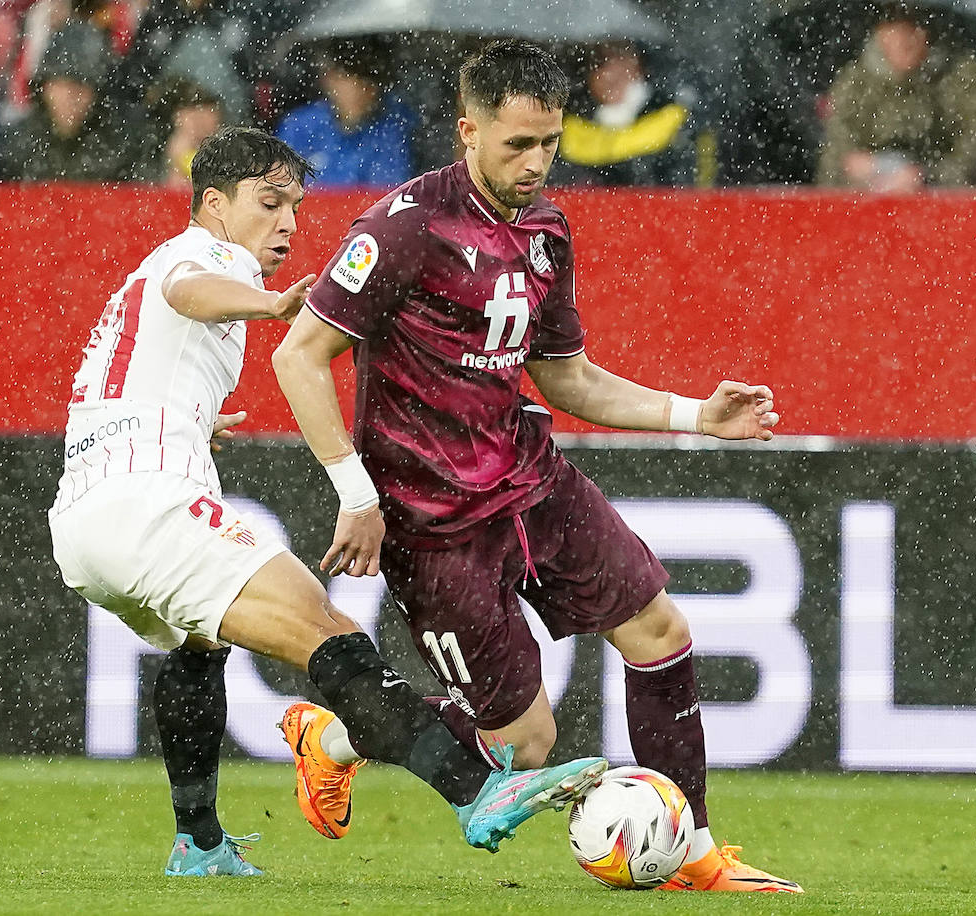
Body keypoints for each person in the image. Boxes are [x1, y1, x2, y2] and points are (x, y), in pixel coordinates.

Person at [271, 40, 802, 894]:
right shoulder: (403, 226)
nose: (536, 163)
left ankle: (693, 853)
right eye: (517, 145)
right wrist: (355, 494)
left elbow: (565, 378)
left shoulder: (548, 230)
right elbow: (299, 356)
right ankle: (330, 738)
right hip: (436, 523)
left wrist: (695, 415)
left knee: (661, 632)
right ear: (467, 129)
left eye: (549, 143)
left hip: (533, 480)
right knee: (527, 745)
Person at [47, 126, 609, 877]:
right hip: (145, 505)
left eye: (296, 208)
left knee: (197, 645)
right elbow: (193, 289)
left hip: (84, 520)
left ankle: (199, 842)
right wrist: (272, 303)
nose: (286, 223)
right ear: (213, 204)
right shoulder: (200, 256)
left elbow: (126, 369)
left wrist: (189, 420)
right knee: (327, 628)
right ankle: (475, 791)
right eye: (268, 203)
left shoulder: (141, 278)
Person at [817, 4, 976, 190]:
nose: (903, 39)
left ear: (930, 33)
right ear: (880, 33)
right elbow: (834, 157)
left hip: (944, 202)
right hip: (866, 202)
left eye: (915, 26)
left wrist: (926, 176)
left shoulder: (962, 77)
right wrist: (867, 172)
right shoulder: (855, 82)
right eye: (894, 27)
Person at [0, 21, 147, 182]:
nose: (71, 97)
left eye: (81, 87)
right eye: (62, 85)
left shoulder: (122, 145)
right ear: (44, 88)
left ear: (98, 95)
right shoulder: (19, 143)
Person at [555, 41, 700, 187]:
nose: (609, 73)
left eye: (620, 59)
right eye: (599, 63)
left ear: (639, 66)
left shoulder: (674, 118)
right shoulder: (570, 125)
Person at [276, 39, 415, 187]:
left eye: (368, 79)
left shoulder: (391, 129)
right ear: (329, 78)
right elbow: (280, 187)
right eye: (349, 77)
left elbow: (387, 192)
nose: (359, 89)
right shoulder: (299, 126)